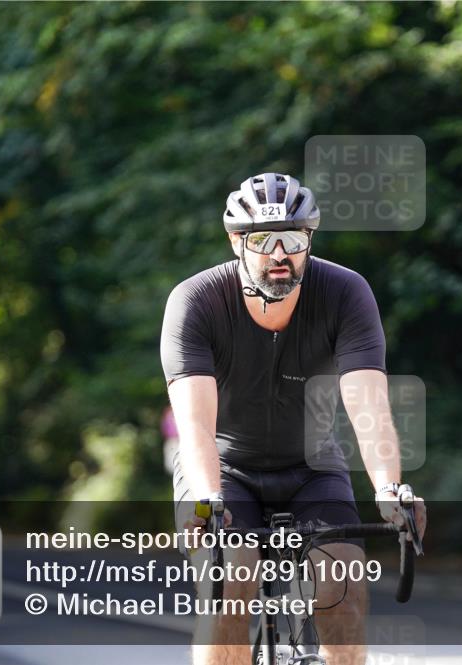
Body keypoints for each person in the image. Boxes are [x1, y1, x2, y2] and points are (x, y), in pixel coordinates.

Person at [161, 172, 427, 665]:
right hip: (224, 470)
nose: (280, 254)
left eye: (294, 238)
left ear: (310, 240)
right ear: (236, 242)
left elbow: (367, 404)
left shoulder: (346, 293)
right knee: (229, 579)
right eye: (264, 240)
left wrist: (390, 490)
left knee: (344, 580)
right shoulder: (194, 302)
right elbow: (194, 426)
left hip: (311, 467)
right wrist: (207, 501)